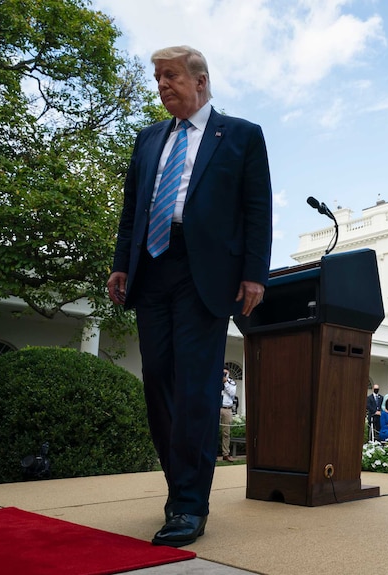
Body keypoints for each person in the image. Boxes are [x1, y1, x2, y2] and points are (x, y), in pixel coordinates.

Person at [107, 45, 273, 548]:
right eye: (158, 77)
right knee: (157, 379)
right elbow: (133, 206)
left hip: (206, 275)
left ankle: (188, 503)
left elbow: (257, 208)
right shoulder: (148, 138)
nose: (162, 85)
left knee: (197, 389)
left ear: (200, 81)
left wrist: (254, 275)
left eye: (171, 76)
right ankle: (177, 485)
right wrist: (120, 263)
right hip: (152, 266)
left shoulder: (241, 135)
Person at [220, 367, 236, 462]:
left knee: (226, 433)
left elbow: (232, 393)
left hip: (227, 409)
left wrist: (225, 382)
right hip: (217, 407)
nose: (224, 374)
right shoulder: (216, 380)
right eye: (223, 373)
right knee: (212, 431)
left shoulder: (232, 382)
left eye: (225, 373)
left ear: (229, 373)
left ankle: (225, 454)